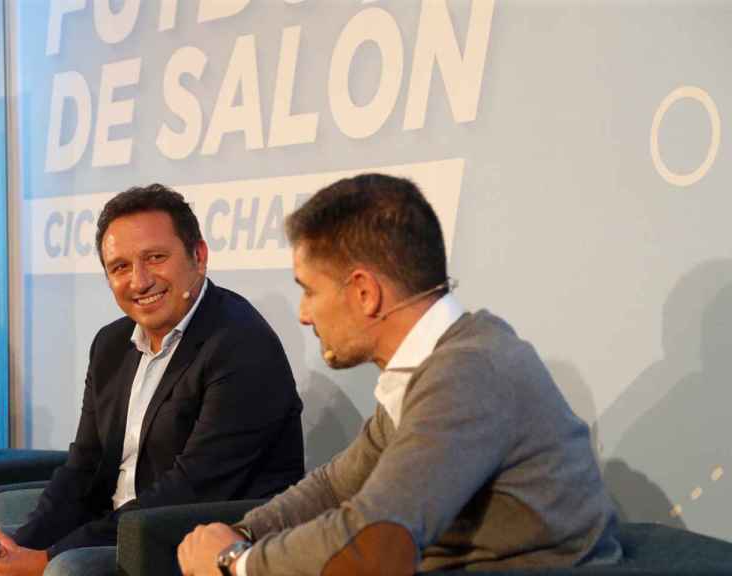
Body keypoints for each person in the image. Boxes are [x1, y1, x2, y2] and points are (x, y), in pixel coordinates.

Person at [178, 174, 622, 575]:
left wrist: (236, 563)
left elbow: (375, 544)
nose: (303, 315)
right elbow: (335, 488)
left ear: (365, 293)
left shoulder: (470, 373)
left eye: (310, 291)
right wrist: (245, 534)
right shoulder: (435, 364)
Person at [0, 184, 304, 576]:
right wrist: (21, 547)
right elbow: (83, 466)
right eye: (120, 267)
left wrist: (45, 559)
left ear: (198, 256)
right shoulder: (112, 344)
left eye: (156, 258)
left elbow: (192, 489)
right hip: (114, 525)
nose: (139, 281)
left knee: (68, 569)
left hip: (195, 534)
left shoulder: (240, 343)